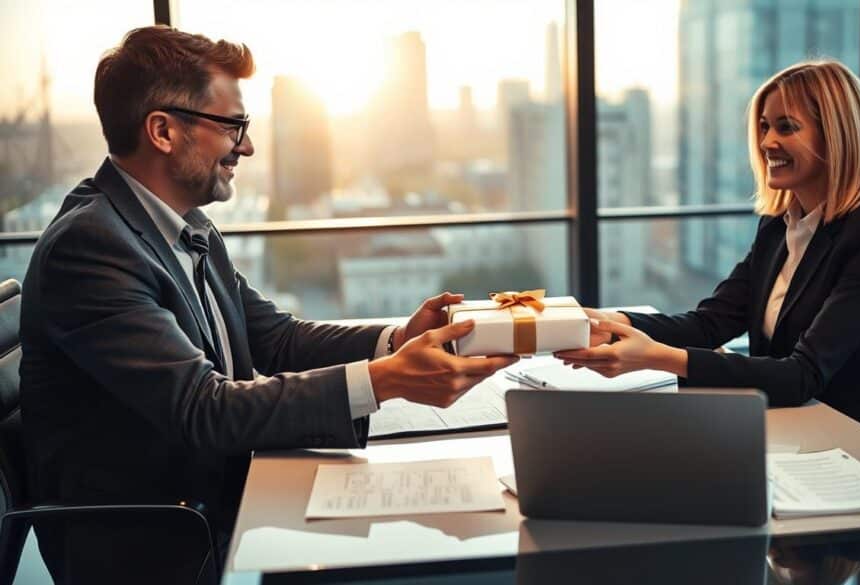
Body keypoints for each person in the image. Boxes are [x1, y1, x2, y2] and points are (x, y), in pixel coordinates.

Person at [19, 26, 517, 583]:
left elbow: (275, 338)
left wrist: (398, 341)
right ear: (162, 131)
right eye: (232, 126)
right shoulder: (90, 247)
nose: (247, 147)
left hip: (222, 499)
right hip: (161, 542)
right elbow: (202, 408)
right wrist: (386, 380)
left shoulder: (182, 225)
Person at [557, 60, 860, 435]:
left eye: (786, 127)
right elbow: (710, 323)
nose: (766, 142)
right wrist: (609, 322)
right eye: (764, 127)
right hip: (785, 424)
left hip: (854, 438)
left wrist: (657, 357)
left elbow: (802, 375)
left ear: (836, 136)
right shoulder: (779, 225)